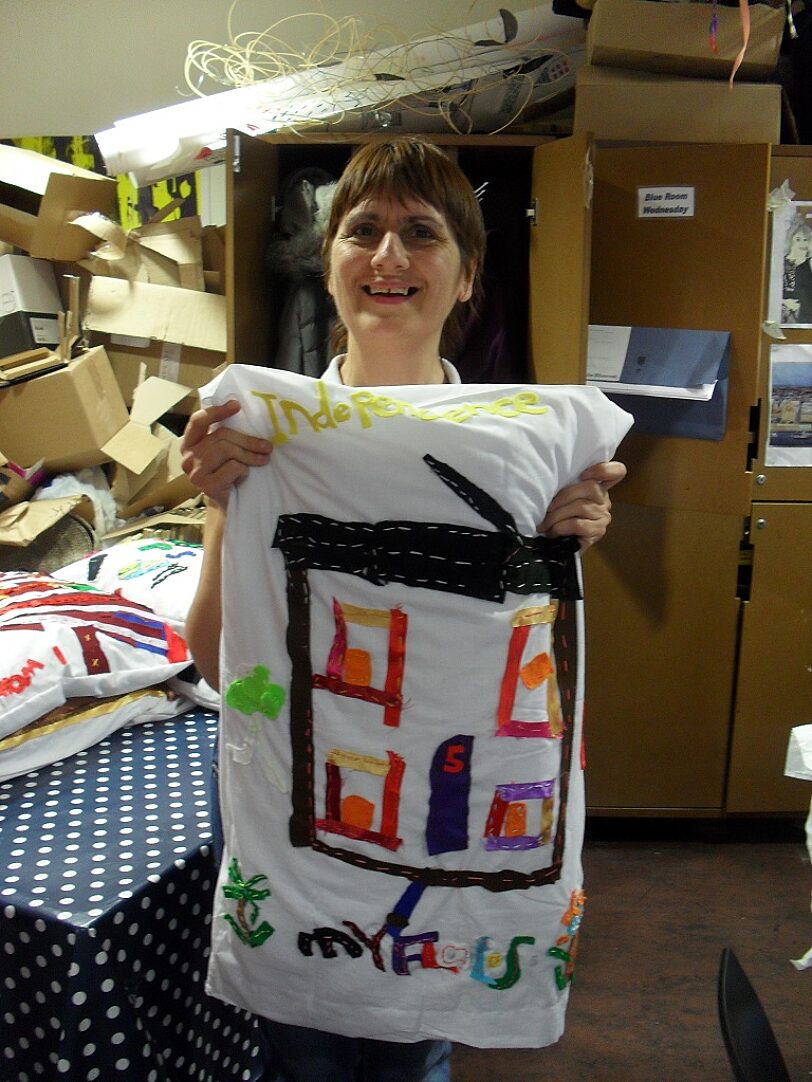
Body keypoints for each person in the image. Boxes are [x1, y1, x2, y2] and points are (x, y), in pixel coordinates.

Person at [181, 136, 626, 1082]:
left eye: (421, 235)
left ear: (466, 278)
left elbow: (535, 674)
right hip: (299, 808)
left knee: (411, 1055)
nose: (388, 257)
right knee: (301, 1055)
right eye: (365, 230)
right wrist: (225, 510)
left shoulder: (527, 448)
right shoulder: (259, 439)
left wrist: (562, 538)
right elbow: (220, 665)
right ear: (329, 263)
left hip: (441, 815)